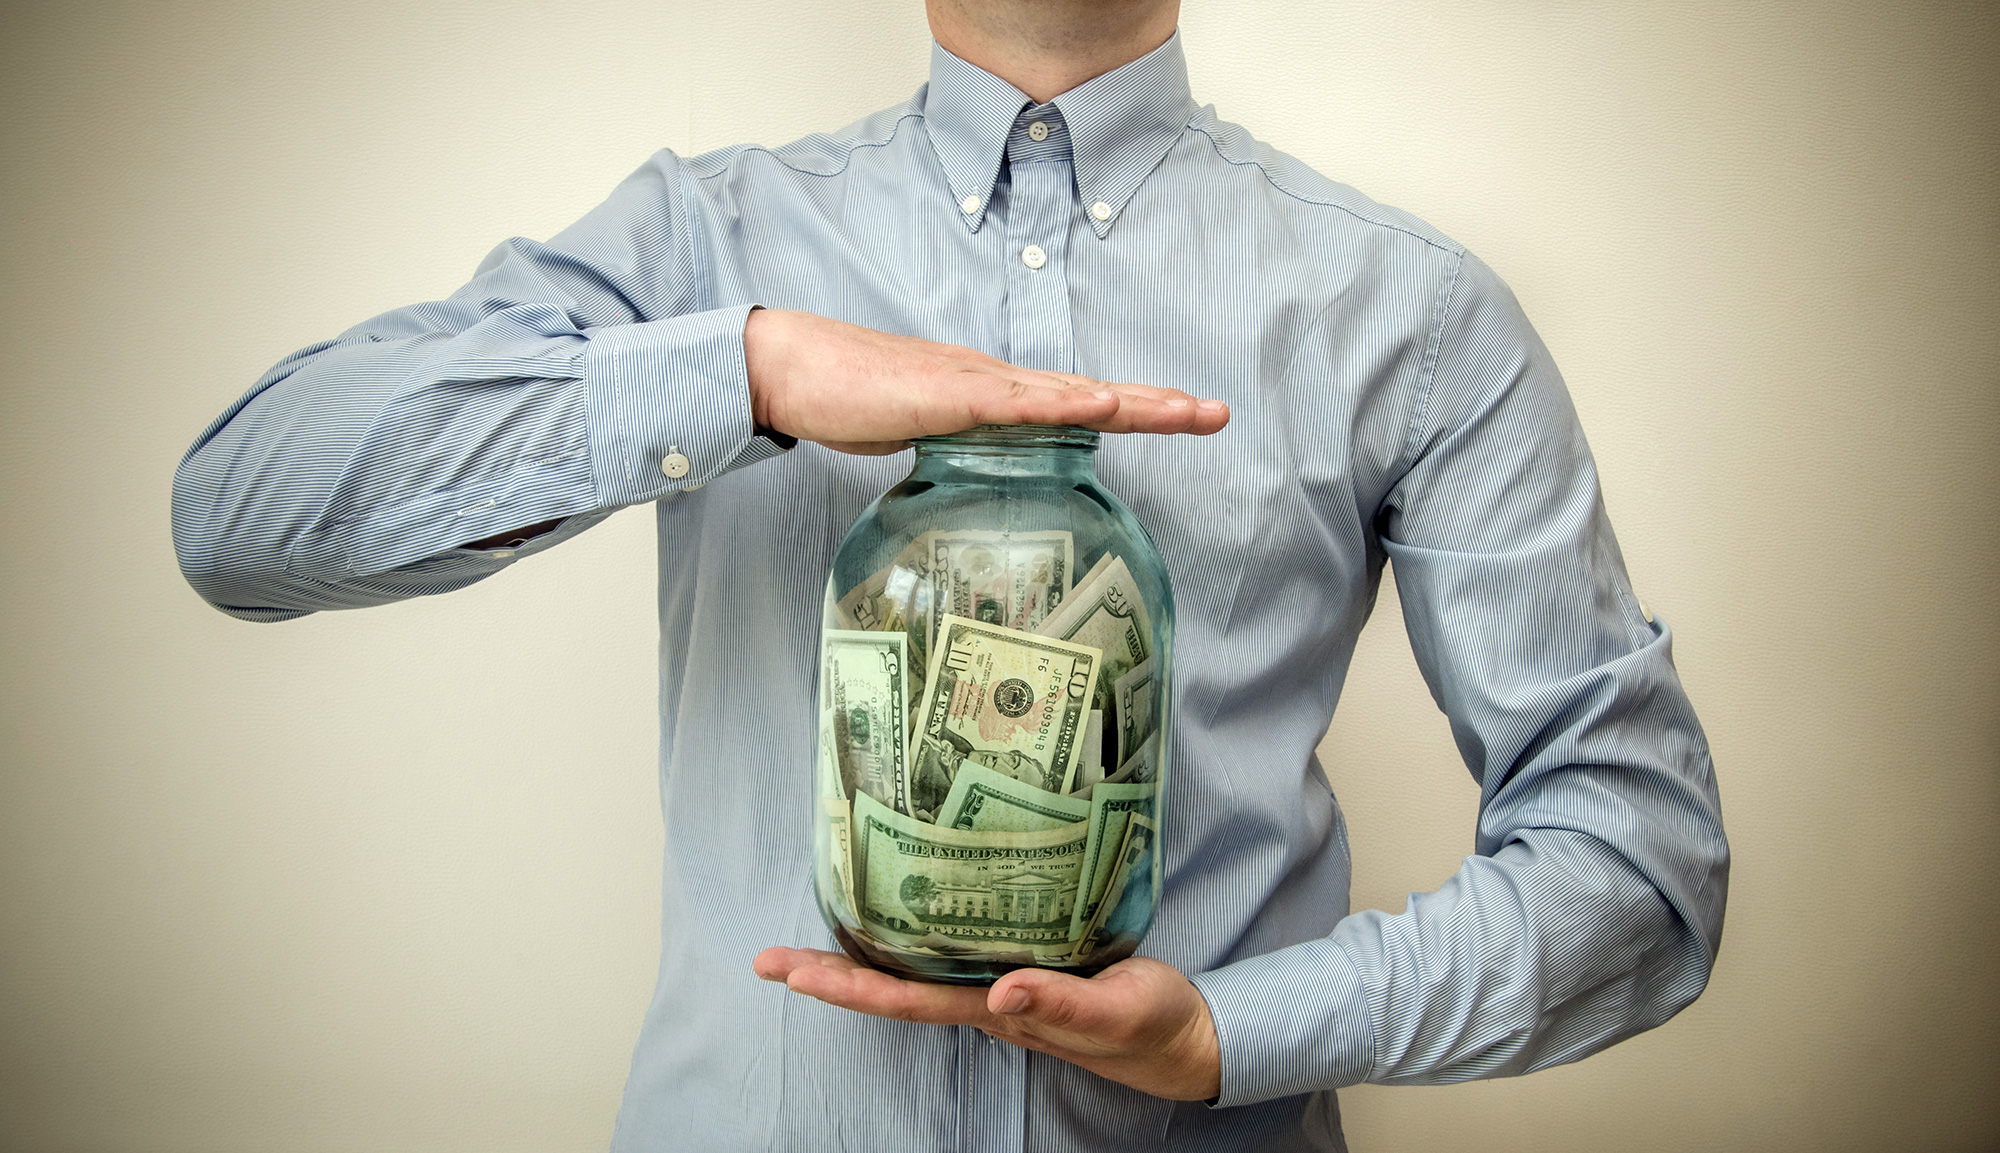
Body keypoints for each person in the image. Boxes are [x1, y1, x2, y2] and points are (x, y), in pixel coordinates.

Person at [170, 0, 1728, 1148]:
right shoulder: (705, 241)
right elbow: (240, 507)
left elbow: (1639, 862)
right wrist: (747, 371)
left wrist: (1231, 1031)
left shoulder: (1417, 314)